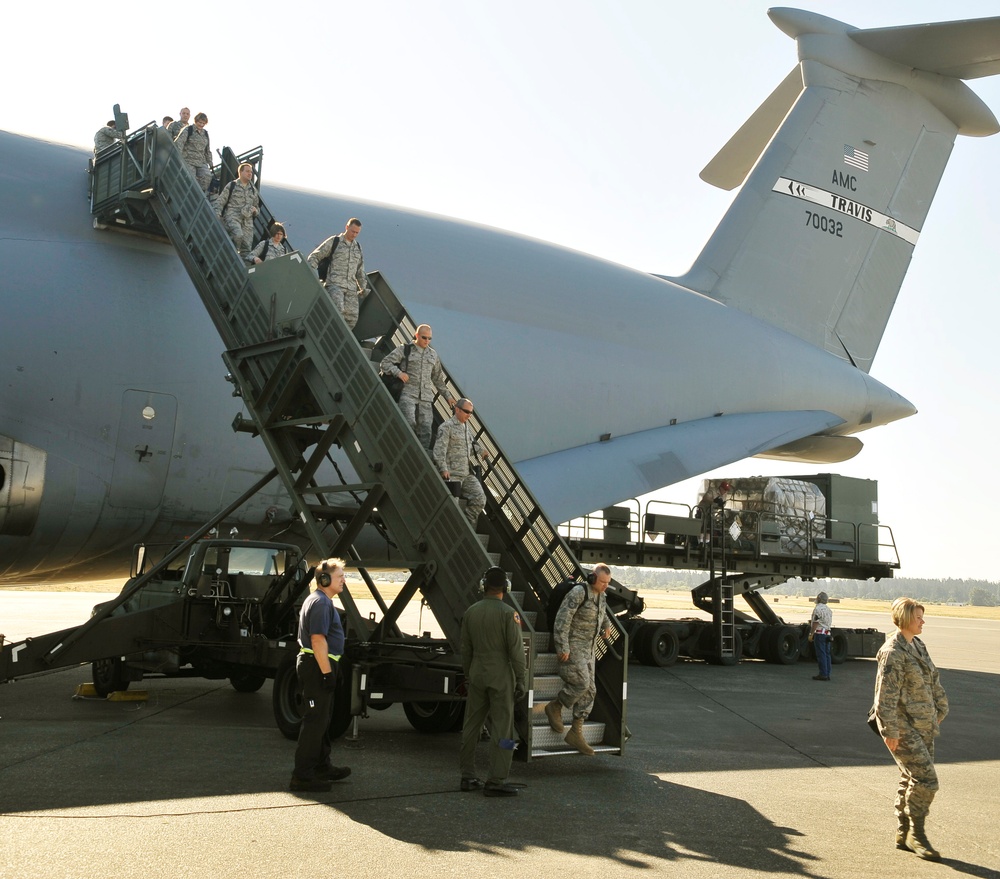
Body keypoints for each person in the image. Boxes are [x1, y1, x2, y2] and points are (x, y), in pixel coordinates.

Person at [872, 597, 948, 861]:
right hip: (904, 729)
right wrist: (890, 731)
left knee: (910, 778)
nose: (922, 621)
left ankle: (902, 833)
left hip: (924, 725)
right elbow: (885, 697)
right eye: (918, 617)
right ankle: (917, 834)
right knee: (927, 780)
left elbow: (932, 679)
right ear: (905, 618)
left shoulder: (917, 645)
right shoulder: (893, 651)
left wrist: (940, 708)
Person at [458, 566, 527, 797]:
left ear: (483, 586)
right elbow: (516, 653)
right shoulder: (509, 614)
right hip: (501, 677)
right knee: (504, 731)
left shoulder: (471, 612)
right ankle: (496, 779)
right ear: (505, 588)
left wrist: (469, 674)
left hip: (477, 673)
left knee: (471, 726)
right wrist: (521, 680)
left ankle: (467, 776)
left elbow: (465, 649)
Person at [290, 557, 352, 792]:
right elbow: (317, 640)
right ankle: (302, 776)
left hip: (320, 664)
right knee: (314, 721)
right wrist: (327, 672)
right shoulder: (321, 603)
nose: (344, 580)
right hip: (316, 666)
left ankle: (321, 766)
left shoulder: (320, 600)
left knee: (322, 719)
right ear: (325, 579)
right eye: (340, 576)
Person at [544, 563, 613, 755]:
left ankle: (576, 731)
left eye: (608, 583)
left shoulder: (602, 595)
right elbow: (562, 620)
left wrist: (606, 625)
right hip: (573, 646)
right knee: (582, 683)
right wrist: (562, 646)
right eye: (602, 582)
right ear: (592, 578)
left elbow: (603, 613)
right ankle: (555, 706)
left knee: (591, 690)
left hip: (589, 649)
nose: (605, 586)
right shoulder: (578, 593)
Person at [379, 324, 455, 449]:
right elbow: (385, 363)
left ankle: (420, 456)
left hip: (425, 398)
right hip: (408, 393)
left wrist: (448, 397)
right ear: (417, 335)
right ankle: (406, 449)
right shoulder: (405, 350)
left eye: (430, 338)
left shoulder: (433, 355)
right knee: (409, 422)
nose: (427, 341)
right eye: (424, 338)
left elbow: (438, 379)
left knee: (426, 430)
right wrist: (399, 373)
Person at [432, 398, 488, 527]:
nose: (469, 415)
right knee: (452, 507)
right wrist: (443, 469)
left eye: (471, 413)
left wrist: (481, 451)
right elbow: (439, 450)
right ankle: (451, 528)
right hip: (452, 474)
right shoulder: (446, 427)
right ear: (457, 409)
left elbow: (468, 447)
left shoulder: (466, 429)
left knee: (479, 499)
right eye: (466, 411)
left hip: (466, 473)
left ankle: (465, 526)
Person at [306, 218, 369, 329]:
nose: (354, 234)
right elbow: (315, 256)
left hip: (350, 288)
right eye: (352, 231)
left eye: (357, 233)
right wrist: (311, 273)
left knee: (352, 318)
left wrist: (363, 287)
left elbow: (360, 270)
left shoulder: (357, 247)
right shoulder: (335, 241)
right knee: (338, 310)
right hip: (334, 285)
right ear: (347, 227)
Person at [215, 162, 259, 255]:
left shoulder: (253, 190)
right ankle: (230, 255)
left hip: (247, 222)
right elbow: (220, 201)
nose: (250, 174)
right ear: (241, 172)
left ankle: (242, 266)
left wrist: (255, 211)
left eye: (251, 172)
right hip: (233, 217)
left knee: (247, 248)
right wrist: (217, 214)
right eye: (247, 171)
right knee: (238, 235)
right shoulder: (232, 185)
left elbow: (257, 207)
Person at [174, 112, 212, 192]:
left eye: (203, 123)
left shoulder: (205, 134)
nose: (201, 125)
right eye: (200, 122)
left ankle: (199, 193)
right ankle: (191, 192)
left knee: (207, 176)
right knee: (191, 179)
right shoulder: (188, 130)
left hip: (201, 161)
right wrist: (179, 158)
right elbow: (179, 144)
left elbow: (207, 150)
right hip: (188, 161)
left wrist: (210, 163)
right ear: (196, 121)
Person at [808, 591, 832, 681]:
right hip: (827, 633)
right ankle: (827, 673)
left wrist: (811, 633)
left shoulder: (818, 609)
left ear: (819, 599)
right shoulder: (829, 610)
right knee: (827, 655)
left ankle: (823, 674)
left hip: (820, 634)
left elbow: (815, 622)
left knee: (821, 654)